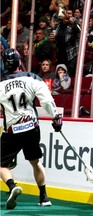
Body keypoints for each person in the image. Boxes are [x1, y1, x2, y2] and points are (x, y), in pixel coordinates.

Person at [0, 48, 62, 209]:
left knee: (1, 165)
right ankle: (44, 197)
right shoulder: (32, 77)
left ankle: (13, 187)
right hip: (32, 127)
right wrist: (56, 117)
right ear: (19, 62)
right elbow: (47, 101)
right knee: (35, 162)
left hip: (13, 130)